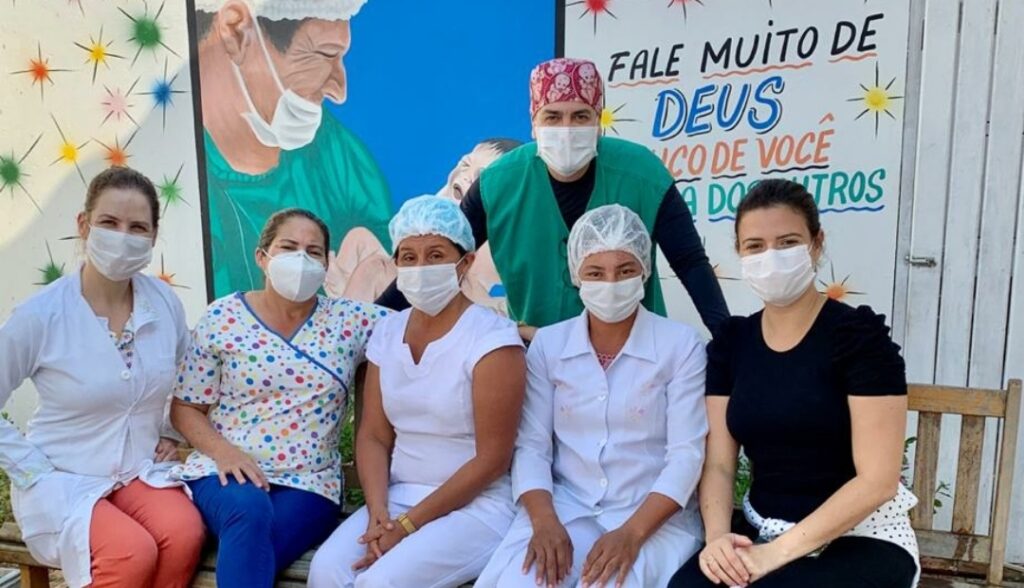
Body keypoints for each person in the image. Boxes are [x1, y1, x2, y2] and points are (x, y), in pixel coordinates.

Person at [668, 179, 920, 588]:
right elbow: (719, 464)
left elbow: (877, 481)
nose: (771, 258)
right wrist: (716, 540)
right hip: (759, 529)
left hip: (858, 535)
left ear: (817, 244)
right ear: (739, 252)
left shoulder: (859, 339)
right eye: (755, 246)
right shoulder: (733, 344)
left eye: (787, 243)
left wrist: (774, 554)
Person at [376, 58, 729, 339]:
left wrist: (727, 337)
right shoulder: (497, 183)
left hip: (635, 355)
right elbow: (439, 256)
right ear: (534, 123)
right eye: (553, 116)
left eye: (580, 116)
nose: (566, 128)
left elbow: (690, 262)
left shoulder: (643, 174)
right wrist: (373, 320)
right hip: (534, 357)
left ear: (598, 121)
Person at [477, 205, 707, 588]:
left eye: (625, 270)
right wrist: (544, 522)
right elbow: (531, 446)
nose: (611, 283)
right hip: (567, 509)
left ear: (645, 272)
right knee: (522, 581)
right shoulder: (550, 346)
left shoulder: (680, 345)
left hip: (652, 518)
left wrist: (632, 533)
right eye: (596, 273)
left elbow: (686, 455)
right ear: (576, 275)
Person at [0, 167, 204, 588]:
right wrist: (31, 468)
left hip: (136, 470)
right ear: (83, 224)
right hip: (63, 477)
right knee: (130, 552)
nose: (122, 237)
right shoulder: (41, 315)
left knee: (184, 533)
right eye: (109, 222)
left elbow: (187, 375)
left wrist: (172, 433)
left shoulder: (163, 302)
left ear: (153, 235)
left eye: (137, 227)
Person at [308, 196, 526, 587]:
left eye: (436, 255)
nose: (421, 267)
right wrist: (378, 511)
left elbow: (493, 459)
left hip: (478, 506)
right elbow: (374, 435)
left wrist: (408, 525)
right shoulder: (388, 331)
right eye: (408, 257)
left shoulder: (491, 339)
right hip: (398, 496)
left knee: (380, 583)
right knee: (327, 571)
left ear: (466, 262)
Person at [170, 208, 388, 588]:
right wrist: (225, 452)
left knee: (253, 547)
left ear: (326, 264)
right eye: (288, 247)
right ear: (262, 256)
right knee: (249, 511)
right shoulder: (223, 317)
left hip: (310, 485)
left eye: (313, 251)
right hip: (225, 472)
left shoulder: (352, 320)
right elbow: (186, 407)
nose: (301, 260)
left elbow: (419, 324)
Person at [194, 0, 392, 297]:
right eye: (325, 54)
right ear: (236, 31)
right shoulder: (173, 175)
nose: (339, 91)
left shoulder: (336, 158)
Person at [324, 138, 522, 308]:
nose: (467, 175)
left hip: (467, 299)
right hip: (379, 309)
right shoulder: (381, 270)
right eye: (465, 164)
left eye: (480, 178)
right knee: (362, 243)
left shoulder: (490, 304)